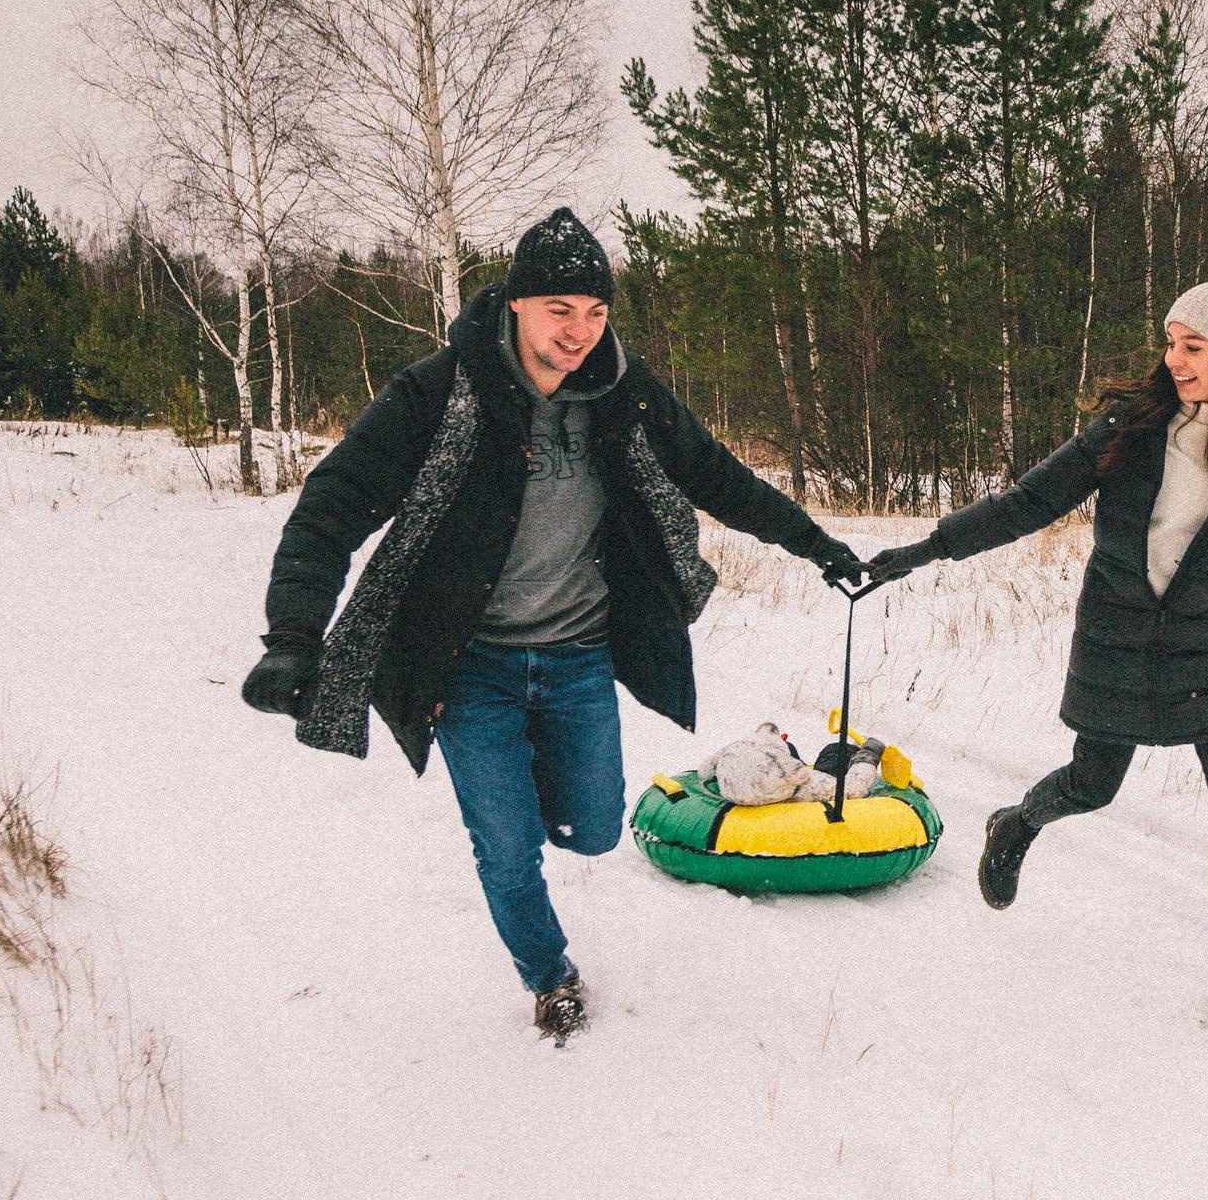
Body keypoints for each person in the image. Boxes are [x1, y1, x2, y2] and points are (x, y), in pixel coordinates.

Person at [242, 208, 867, 1042]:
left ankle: (519, 782)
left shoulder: (623, 394)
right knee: (507, 850)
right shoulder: (436, 395)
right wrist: (292, 636)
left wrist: (819, 546)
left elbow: (719, 477)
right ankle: (550, 972)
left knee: (596, 828)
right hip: (471, 668)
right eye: (560, 311)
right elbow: (329, 509)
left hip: (576, 656)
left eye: (596, 313)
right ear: (516, 305)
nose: (580, 333)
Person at [866, 277, 1208, 1037]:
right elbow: (1032, 500)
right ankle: (1018, 822)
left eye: (1193, 346)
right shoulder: (1131, 422)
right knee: (1094, 785)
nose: (1176, 359)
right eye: (1171, 343)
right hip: (1122, 633)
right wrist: (932, 547)